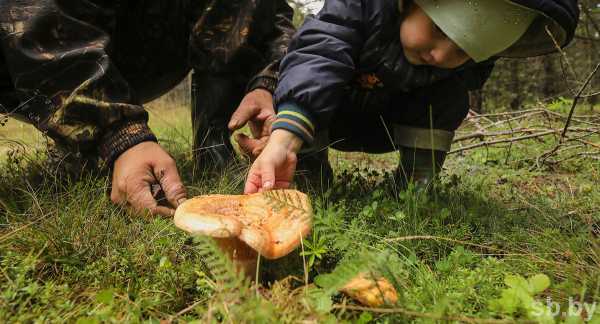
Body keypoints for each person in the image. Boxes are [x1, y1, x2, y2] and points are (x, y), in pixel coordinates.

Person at [243, 0, 579, 194]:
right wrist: (283, 143)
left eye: (462, 50)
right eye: (439, 30)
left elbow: (453, 96)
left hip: (390, 124)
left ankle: (415, 184)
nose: (441, 55)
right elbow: (318, 57)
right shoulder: (359, 9)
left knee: (451, 93)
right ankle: (307, 178)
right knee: (317, 82)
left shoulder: (450, 66)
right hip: (331, 114)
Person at [0, 0, 294, 216]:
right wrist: (119, 134)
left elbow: (272, 16)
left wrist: (267, 81)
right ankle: (91, 141)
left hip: (139, 42)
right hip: (17, 53)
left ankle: (213, 151)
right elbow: (27, 13)